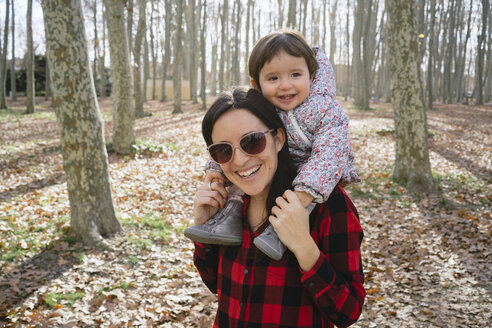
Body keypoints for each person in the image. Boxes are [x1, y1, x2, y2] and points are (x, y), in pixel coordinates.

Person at [192, 87, 365, 327]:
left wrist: (304, 249)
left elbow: (348, 312)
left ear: (279, 139)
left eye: (252, 141)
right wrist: (204, 228)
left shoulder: (328, 205)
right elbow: (215, 284)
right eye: (223, 150)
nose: (239, 160)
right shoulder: (228, 203)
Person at [185, 30, 359, 260]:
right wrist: (216, 170)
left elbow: (331, 153)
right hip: (274, 171)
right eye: (273, 78)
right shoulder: (262, 111)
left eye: (295, 74)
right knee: (240, 175)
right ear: (257, 84)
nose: (285, 86)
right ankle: (228, 220)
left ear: (312, 74)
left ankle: (280, 232)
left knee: (299, 202)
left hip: (315, 179)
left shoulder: (325, 109)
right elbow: (231, 138)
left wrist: (303, 198)